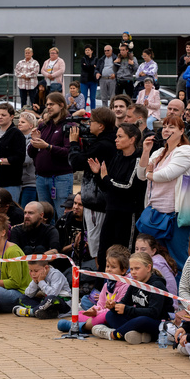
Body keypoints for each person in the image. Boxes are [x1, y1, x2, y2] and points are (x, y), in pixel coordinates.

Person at [138, 115, 190, 273]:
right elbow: (140, 174)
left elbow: (167, 174)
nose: (167, 130)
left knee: (176, 259)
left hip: (176, 214)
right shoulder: (159, 151)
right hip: (156, 212)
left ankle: (179, 296)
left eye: (172, 127)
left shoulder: (186, 151)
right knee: (155, 258)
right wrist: (146, 151)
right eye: (165, 126)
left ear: (182, 130)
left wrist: (150, 174)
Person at [89, 123, 146, 262]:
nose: (116, 139)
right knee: (104, 250)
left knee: (124, 251)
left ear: (132, 139)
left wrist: (106, 179)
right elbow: (107, 187)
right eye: (116, 136)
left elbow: (128, 186)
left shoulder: (138, 159)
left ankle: (125, 282)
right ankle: (103, 282)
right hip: (111, 210)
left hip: (128, 214)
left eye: (120, 136)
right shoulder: (117, 156)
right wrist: (98, 175)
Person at [68, 106, 117, 267]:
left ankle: (101, 279)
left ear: (101, 125)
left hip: (97, 202)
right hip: (104, 200)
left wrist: (74, 144)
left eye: (92, 122)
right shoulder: (111, 139)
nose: (89, 125)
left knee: (97, 246)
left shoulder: (103, 145)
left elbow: (76, 162)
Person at [91, 251, 173, 344]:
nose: (133, 272)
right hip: (138, 318)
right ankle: (141, 336)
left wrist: (125, 309)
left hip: (157, 322)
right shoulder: (135, 283)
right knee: (110, 315)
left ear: (148, 268)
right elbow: (124, 303)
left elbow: (154, 312)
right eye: (132, 269)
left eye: (137, 268)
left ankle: (113, 334)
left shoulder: (156, 285)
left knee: (142, 320)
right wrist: (114, 306)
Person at [57, 246, 130, 334]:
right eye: (107, 266)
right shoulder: (107, 284)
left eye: (113, 267)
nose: (109, 270)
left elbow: (117, 309)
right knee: (80, 314)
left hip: (115, 316)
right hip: (102, 313)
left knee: (105, 316)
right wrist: (94, 310)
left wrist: (97, 313)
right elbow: (100, 304)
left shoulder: (127, 286)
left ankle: (80, 327)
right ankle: (89, 325)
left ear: (123, 270)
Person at [28, 93, 73, 218]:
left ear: (61, 105)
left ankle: (63, 238)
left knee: (62, 216)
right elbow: (31, 153)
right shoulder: (44, 125)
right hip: (41, 178)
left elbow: (68, 152)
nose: (48, 107)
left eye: (52, 104)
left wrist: (48, 147)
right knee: (45, 217)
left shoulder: (69, 125)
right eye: (47, 104)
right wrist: (34, 142)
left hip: (60, 178)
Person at [0, 103, 26, 201]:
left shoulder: (16, 134)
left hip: (10, 181)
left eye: (3, 115)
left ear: (12, 117)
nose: (0, 117)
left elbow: (19, 158)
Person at [78, 44, 97, 110]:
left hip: (93, 80)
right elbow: (83, 67)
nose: (87, 51)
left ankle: (93, 112)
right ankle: (83, 112)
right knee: (84, 97)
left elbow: (96, 68)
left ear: (92, 51)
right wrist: (92, 66)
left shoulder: (95, 59)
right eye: (86, 50)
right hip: (84, 81)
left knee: (92, 98)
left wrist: (88, 66)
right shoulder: (83, 59)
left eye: (88, 50)